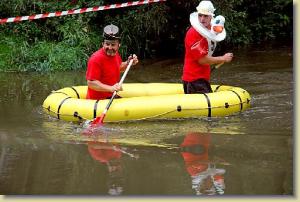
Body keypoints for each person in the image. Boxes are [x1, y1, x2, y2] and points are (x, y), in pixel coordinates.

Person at [182, 0, 233, 94]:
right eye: (200, 15)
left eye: (205, 16)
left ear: (211, 17)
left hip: (202, 78)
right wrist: (223, 58)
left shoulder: (211, 30)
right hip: (194, 80)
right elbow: (202, 60)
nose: (202, 19)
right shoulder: (193, 33)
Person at [86, 24, 139, 100]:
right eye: (107, 44)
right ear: (102, 44)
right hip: (98, 100)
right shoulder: (95, 59)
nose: (110, 47)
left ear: (118, 45)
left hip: (111, 95)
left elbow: (118, 68)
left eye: (113, 44)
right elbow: (91, 83)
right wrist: (111, 88)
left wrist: (128, 63)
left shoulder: (115, 54)